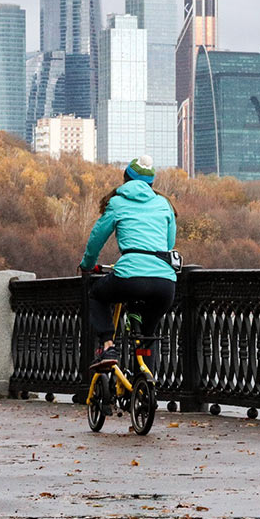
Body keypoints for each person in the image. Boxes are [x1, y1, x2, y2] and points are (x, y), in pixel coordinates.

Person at [78, 155, 177, 379]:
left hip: (130, 277)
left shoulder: (117, 202)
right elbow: (169, 244)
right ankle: (144, 384)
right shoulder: (164, 204)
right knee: (148, 334)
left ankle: (107, 346)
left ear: (125, 179)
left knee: (97, 295)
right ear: (151, 183)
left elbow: (96, 239)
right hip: (165, 283)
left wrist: (87, 265)